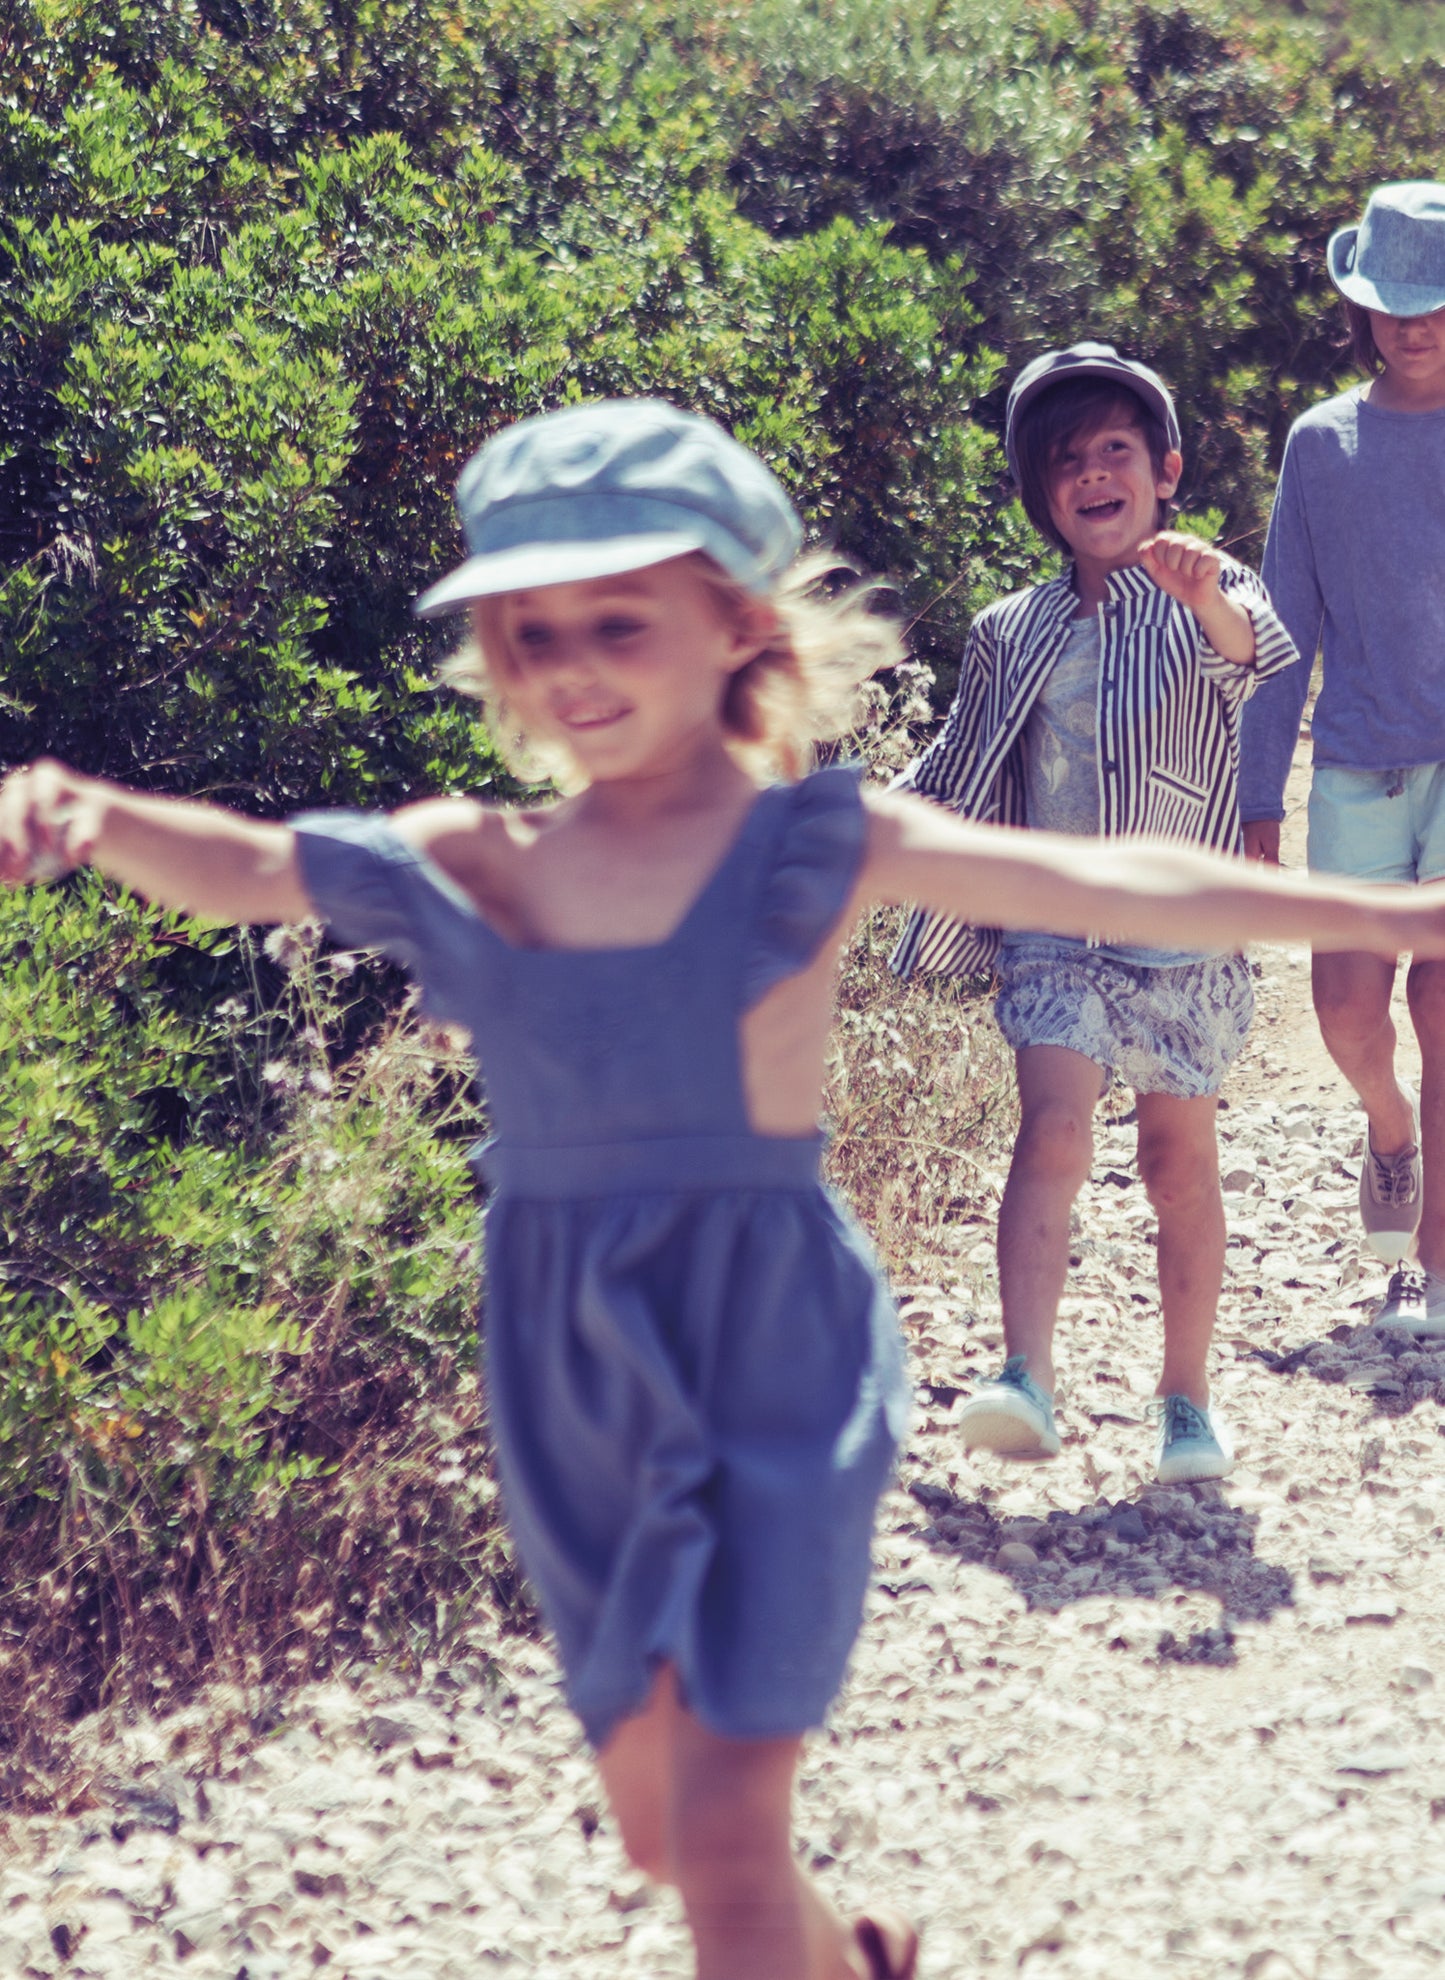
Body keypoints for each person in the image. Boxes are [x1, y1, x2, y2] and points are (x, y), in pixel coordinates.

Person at [4, 399, 1443, 1980]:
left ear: (733, 628)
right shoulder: (479, 860)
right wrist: (96, 818)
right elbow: (258, 867)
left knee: (734, 1848)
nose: (570, 663)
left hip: (767, 1347)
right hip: (564, 1372)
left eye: (619, 618)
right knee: (665, 1838)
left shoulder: (803, 843)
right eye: (529, 628)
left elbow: (1102, 876)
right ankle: (858, 1959)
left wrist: (1390, 908)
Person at [890, 343, 1300, 1486]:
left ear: (1162, 469)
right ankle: (1024, 1372)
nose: (1090, 474)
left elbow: (1257, 656)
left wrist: (1206, 592)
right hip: (1051, 930)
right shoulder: (1007, 630)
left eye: (1113, 451)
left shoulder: (1210, 595)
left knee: (1176, 1163)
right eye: (1062, 461)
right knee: (1052, 1131)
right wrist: (851, 822)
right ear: (1040, 496)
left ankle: (1184, 1397)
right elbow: (959, 758)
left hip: (1180, 937)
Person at [1240, 182, 1445, 1337]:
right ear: (1356, 306)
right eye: (1389, 302)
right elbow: (1283, 622)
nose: (1411, 323)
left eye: (1430, 301)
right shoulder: (1321, 444)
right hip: (1356, 764)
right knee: (1343, 1015)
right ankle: (1386, 1128)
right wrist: (1258, 784)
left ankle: (1423, 1260)